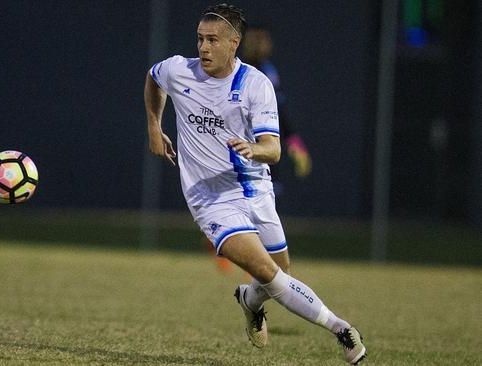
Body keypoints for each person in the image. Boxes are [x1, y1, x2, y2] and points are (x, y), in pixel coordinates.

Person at [143, 4, 366, 364]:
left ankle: (248, 301)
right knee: (269, 273)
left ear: (234, 43)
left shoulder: (256, 85)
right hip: (210, 199)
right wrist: (155, 126)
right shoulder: (179, 70)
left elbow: (274, 149)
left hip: (255, 191)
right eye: (200, 39)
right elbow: (154, 78)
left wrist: (253, 148)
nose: (203, 48)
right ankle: (341, 330)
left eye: (213, 40)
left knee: (278, 275)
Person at [202, 24, 313, 274]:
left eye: (264, 40)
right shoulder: (230, 71)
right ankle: (220, 245)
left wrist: (295, 143)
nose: (260, 45)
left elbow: (280, 112)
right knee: (226, 202)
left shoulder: (268, 73)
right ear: (240, 42)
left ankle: (253, 258)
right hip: (232, 149)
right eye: (255, 40)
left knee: (262, 203)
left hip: (261, 149)